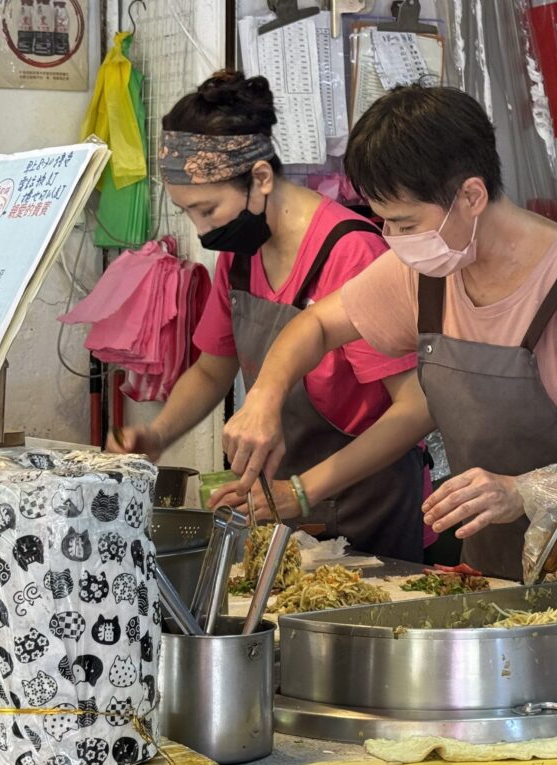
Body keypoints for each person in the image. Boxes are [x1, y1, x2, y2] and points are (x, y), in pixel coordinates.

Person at [220, 85, 557, 580]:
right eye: (384, 223)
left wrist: (522, 491)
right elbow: (314, 325)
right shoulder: (426, 272)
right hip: (491, 579)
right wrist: (263, 398)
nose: (393, 241)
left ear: (471, 195)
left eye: (405, 222)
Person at [109, 71, 428, 562]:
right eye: (188, 213)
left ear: (260, 178)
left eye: (208, 210)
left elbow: (413, 410)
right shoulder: (239, 252)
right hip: (282, 504)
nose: (202, 229)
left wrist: (302, 491)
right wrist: (157, 435)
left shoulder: (352, 253)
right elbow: (215, 368)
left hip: (370, 502)